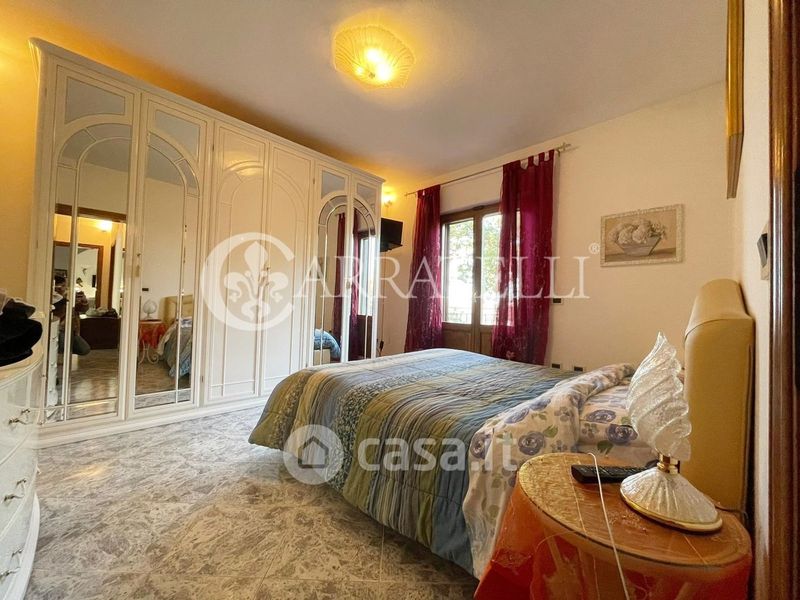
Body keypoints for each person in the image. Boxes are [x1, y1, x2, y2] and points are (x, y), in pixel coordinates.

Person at [53, 274, 91, 356]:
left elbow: (83, 309)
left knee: (84, 349)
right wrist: (65, 302)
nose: (64, 288)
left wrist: (84, 301)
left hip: (72, 329)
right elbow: (57, 314)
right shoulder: (54, 298)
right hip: (60, 329)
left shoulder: (69, 297)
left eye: (65, 285)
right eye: (62, 286)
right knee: (61, 350)